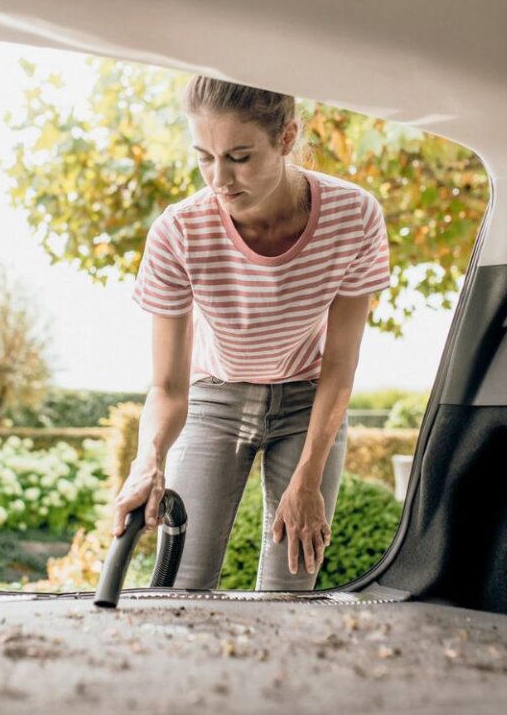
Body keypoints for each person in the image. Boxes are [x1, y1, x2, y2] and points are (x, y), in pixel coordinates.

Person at [111, 76, 391, 591]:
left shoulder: (354, 217)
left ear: (286, 138)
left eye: (239, 156)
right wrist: (147, 459)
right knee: (181, 585)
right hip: (215, 397)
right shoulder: (179, 232)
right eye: (205, 157)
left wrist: (308, 476)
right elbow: (169, 388)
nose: (220, 178)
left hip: (309, 399)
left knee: (290, 589)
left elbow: (341, 363)